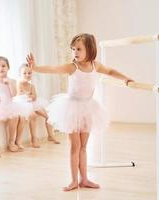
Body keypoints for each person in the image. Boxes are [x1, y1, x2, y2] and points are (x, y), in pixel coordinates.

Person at [26, 33, 134, 191]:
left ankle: (84, 179)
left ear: (90, 50)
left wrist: (126, 78)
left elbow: (110, 71)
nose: (74, 52)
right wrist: (35, 68)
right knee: (75, 146)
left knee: (84, 146)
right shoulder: (72, 67)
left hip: (88, 108)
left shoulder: (95, 66)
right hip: (72, 109)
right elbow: (53, 69)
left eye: (78, 49)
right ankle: (73, 180)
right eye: (72, 49)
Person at [0, 56, 30, 152]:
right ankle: (11, 142)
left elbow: (14, 94)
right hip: (1, 106)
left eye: (3, 66)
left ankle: (18, 140)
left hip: (10, 104)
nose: (1, 68)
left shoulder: (13, 81)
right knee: (14, 117)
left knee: (22, 117)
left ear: (8, 67)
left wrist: (9, 83)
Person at [14, 63, 60, 148]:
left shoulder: (31, 85)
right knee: (33, 116)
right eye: (24, 73)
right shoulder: (19, 84)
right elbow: (21, 95)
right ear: (20, 74)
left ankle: (51, 135)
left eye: (29, 73)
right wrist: (28, 96)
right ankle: (33, 138)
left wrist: (31, 96)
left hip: (33, 103)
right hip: (23, 104)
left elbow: (35, 97)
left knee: (49, 115)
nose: (27, 75)